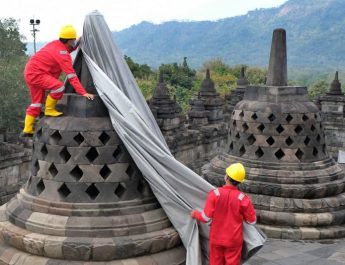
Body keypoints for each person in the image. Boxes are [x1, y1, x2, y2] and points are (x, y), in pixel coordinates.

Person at [22, 25, 95, 136]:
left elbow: (67, 49)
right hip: (37, 73)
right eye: (74, 39)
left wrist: (78, 42)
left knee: (36, 103)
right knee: (59, 87)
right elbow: (72, 76)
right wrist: (83, 92)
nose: (75, 41)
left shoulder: (56, 44)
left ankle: (27, 129)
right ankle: (49, 109)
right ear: (70, 40)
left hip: (30, 72)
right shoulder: (63, 54)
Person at [191, 163, 256, 265]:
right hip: (234, 240)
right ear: (239, 181)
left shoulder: (214, 194)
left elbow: (205, 218)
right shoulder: (243, 198)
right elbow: (252, 221)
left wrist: (195, 214)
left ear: (227, 177)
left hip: (216, 238)